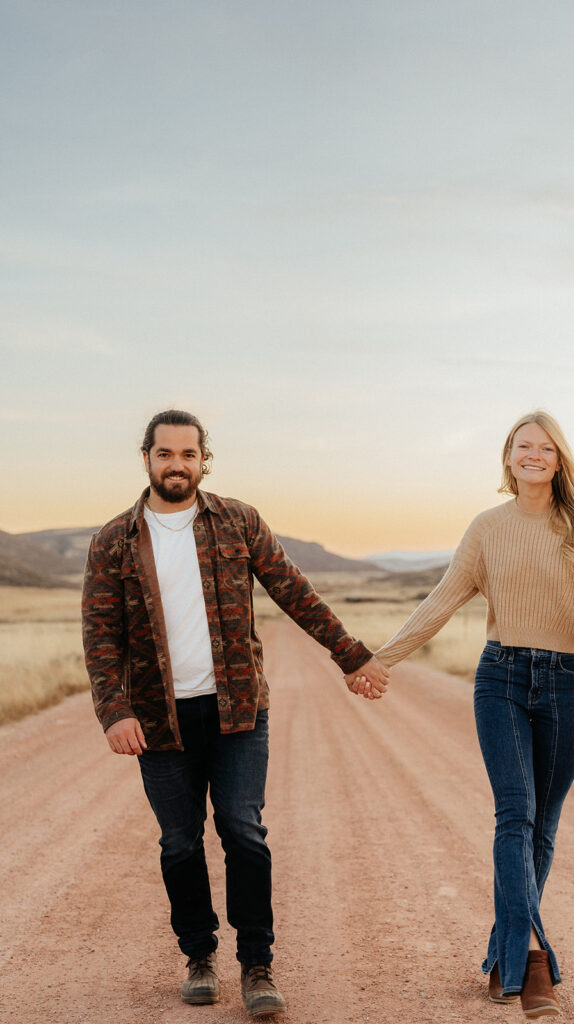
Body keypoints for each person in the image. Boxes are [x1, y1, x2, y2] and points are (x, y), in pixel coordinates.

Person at [82, 409, 389, 1018]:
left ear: (204, 460)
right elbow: (100, 636)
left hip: (239, 712)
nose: (177, 464)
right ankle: (199, 955)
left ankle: (258, 966)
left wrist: (352, 657)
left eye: (188, 455)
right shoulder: (113, 540)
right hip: (159, 718)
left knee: (243, 832)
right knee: (178, 843)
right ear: (146, 457)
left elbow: (294, 591)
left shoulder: (238, 522)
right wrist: (114, 711)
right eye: (165, 454)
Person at [353, 410, 574, 1019]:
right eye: (523, 446)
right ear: (507, 457)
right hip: (500, 677)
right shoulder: (487, 528)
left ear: (559, 460)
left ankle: (503, 952)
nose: (534, 455)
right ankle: (532, 962)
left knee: (544, 822)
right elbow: (442, 599)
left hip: (567, 683)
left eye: (546, 448)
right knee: (515, 813)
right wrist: (381, 660)